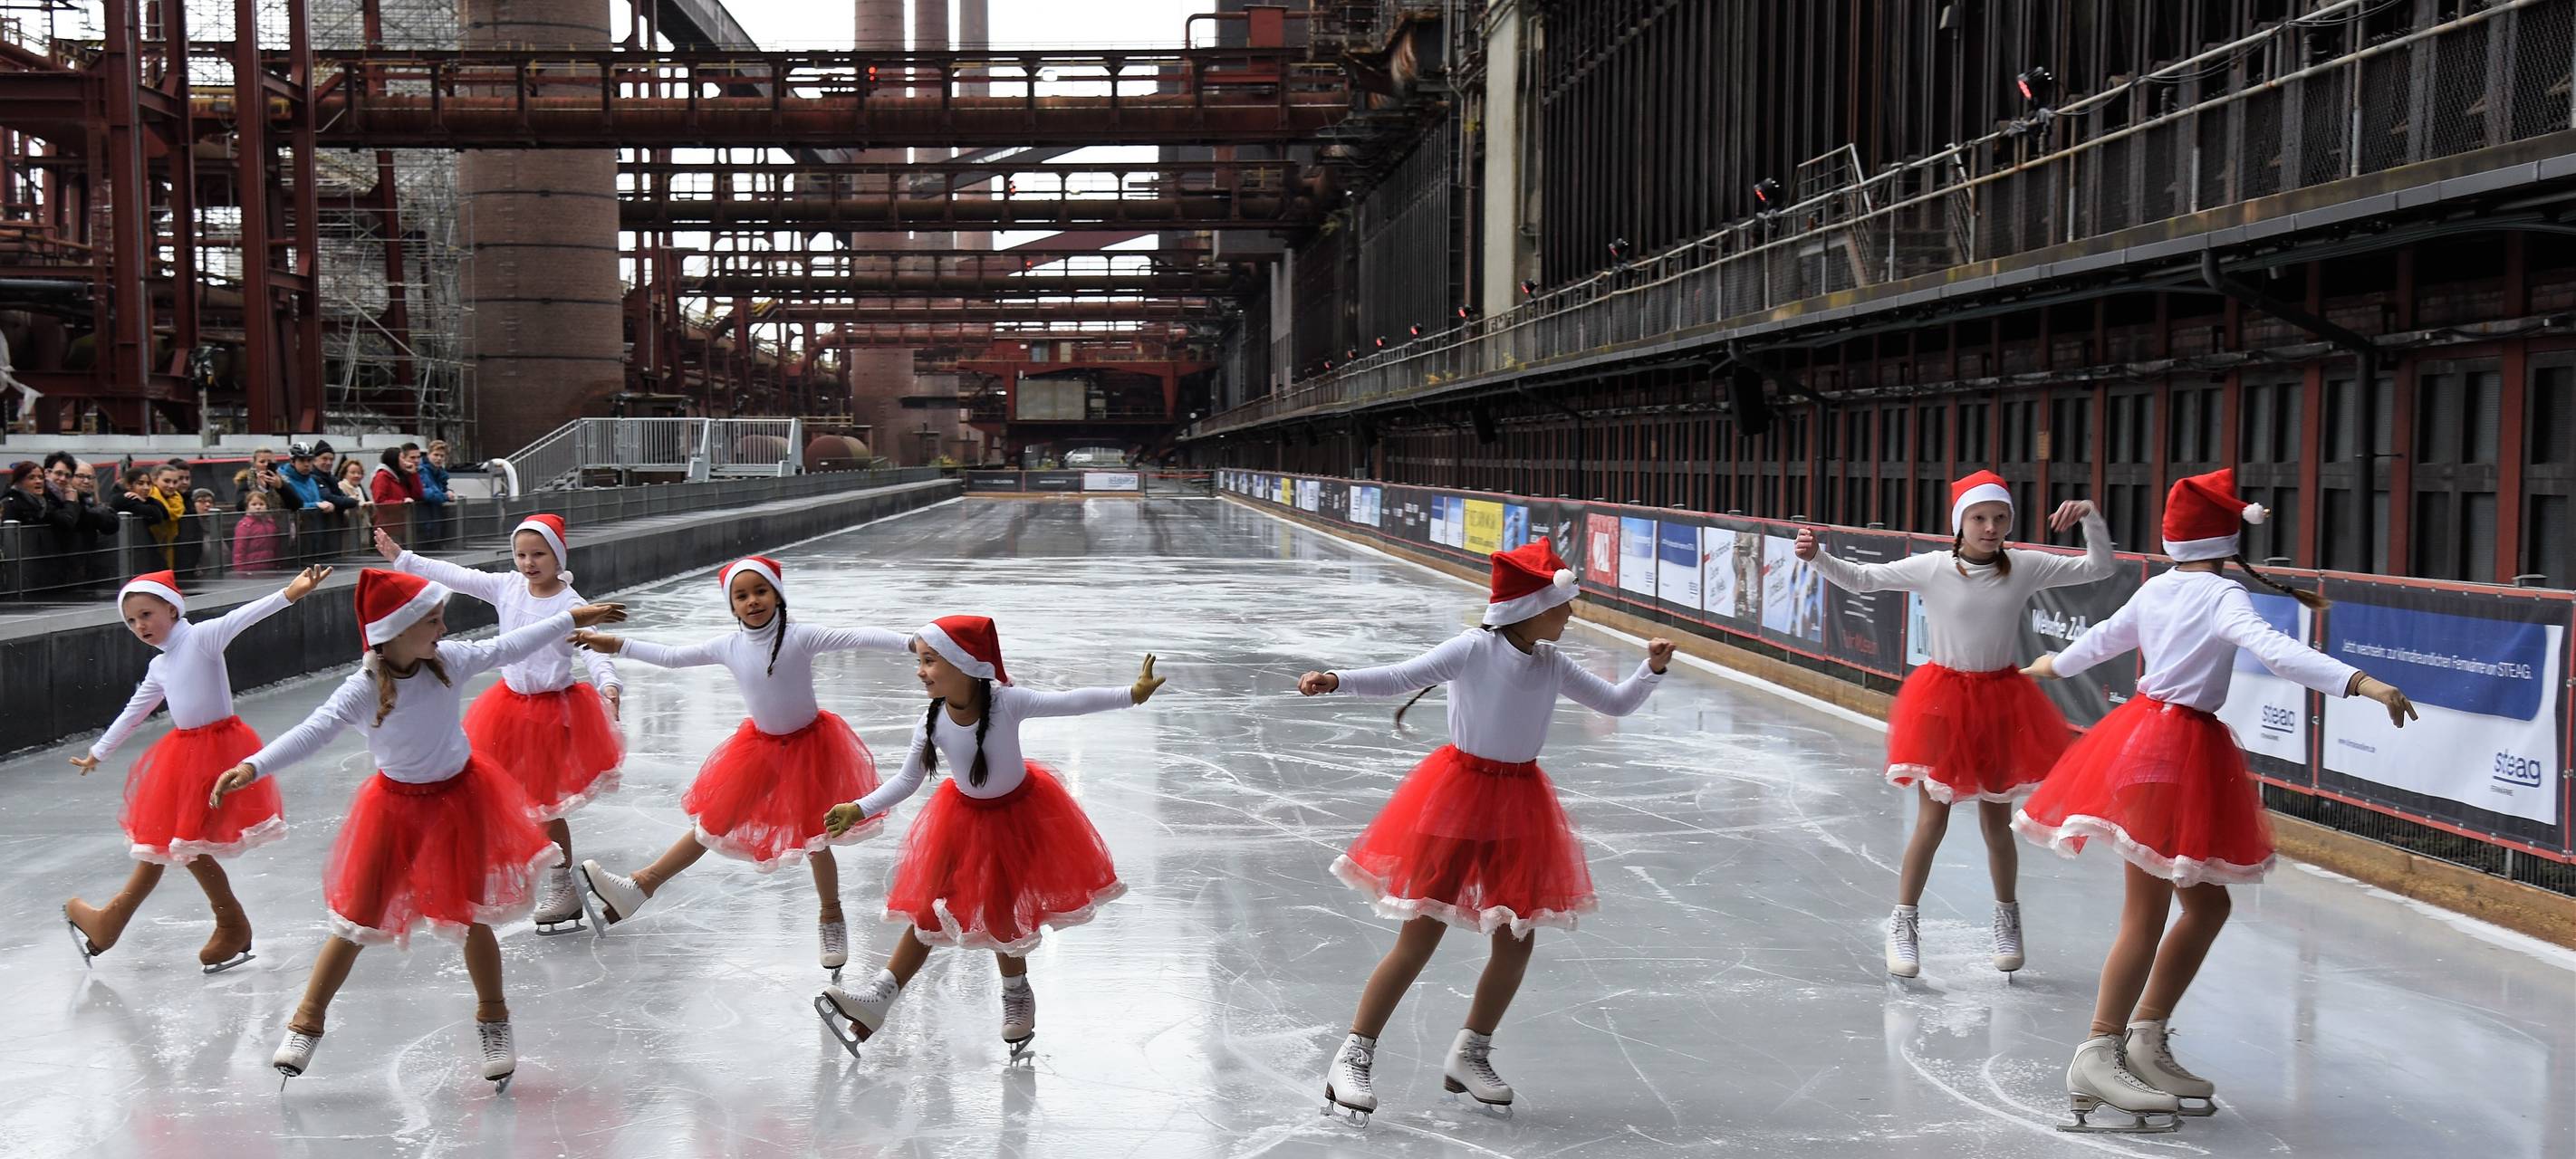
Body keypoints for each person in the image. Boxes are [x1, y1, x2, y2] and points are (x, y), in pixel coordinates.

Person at [2014, 468, 2418, 1132]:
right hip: (2167, 753)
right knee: (2146, 912)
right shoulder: (2220, 593)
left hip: (2155, 745)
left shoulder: (2160, 587)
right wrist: (2362, 682)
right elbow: (2275, 650)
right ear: (2227, 540)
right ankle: (2097, 1050)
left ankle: (2144, 1036)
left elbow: (2097, 642)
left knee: (2207, 904)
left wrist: (2049, 666)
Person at [206, 569, 626, 1088]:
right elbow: (314, 730)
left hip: (459, 804)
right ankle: (306, 1021)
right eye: (432, 621)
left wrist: (571, 617)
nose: (443, 628)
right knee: (356, 919)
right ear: (396, 631)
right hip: (394, 811)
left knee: (470, 915)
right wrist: (254, 766)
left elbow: (509, 644)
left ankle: (493, 1019)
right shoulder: (362, 689)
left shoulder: (449, 660)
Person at [1296, 541, 1673, 1120]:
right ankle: (1353, 1055)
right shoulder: (1473, 648)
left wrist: (1652, 669)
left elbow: (1616, 704)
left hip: (1519, 803)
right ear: (1531, 608)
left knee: (1517, 936)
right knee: (1421, 934)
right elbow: (1399, 676)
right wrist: (1335, 679)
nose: (1571, 614)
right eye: (1563, 605)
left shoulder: (1551, 663)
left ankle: (1470, 1052)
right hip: (1457, 797)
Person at [1793, 472, 2117, 978]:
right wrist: (1817, 557)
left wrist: (2091, 517)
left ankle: (2007, 919)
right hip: (1943, 703)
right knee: (1933, 819)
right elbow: (1863, 579)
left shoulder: (2024, 566)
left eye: (2000, 518)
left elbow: (2099, 567)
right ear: (1959, 523)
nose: (1990, 527)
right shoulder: (1933, 567)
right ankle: (1904, 923)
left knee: (1996, 824)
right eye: (1979, 518)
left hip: (2001, 702)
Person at [811, 617, 1162, 1060]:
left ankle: (1016, 993)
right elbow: (907, 780)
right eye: (920, 661)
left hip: (1018, 821)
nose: (920, 671)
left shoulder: (1006, 702)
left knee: (1000, 913)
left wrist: (1131, 694)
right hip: (960, 821)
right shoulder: (931, 721)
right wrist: (859, 807)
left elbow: (1070, 702)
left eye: (929, 661)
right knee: (929, 910)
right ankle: (880, 997)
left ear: (963, 664)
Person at [568, 557, 904, 972]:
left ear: (777, 595)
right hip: (760, 752)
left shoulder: (800, 636)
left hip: (811, 750)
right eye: (741, 596)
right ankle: (639, 887)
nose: (752, 601)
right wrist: (617, 644)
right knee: (713, 824)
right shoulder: (729, 646)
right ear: (732, 606)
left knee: (816, 838)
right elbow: (673, 656)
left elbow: (860, 636)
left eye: (760, 591)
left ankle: (831, 916)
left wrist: (917, 643)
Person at [63, 567, 331, 972]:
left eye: (146, 615)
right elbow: (135, 710)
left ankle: (225, 923)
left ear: (172, 609)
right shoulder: (160, 665)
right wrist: (99, 751)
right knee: (168, 842)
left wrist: (290, 593)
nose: (140, 626)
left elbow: (242, 617)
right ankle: (115, 922)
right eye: (131, 621)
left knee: (182, 842)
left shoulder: (202, 638)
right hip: (183, 756)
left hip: (217, 754)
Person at [375, 517, 622, 934]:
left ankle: (563, 884)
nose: (528, 563)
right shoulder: (507, 586)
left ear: (558, 556)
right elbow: (456, 576)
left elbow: (594, 648)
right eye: (521, 555)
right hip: (506, 710)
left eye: (538, 554)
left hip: (550, 715)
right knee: (483, 793)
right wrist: (404, 558)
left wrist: (609, 683)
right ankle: (480, 872)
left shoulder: (570, 603)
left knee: (544, 807)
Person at [232, 492, 286, 574]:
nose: (258, 507)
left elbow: (277, 547)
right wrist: (240, 571)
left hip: (270, 568)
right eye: (254, 504)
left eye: (261, 504)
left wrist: (278, 564)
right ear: (247, 507)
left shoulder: (271, 524)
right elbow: (239, 551)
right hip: (251, 570)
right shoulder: (244, 525)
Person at [417, 441, 453, 549]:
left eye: (442, 456)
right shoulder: (422, 471)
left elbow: (440, 490)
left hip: (435, 518)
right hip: (424, 518)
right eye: (436, 455)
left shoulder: (440, 473)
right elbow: (427, 493)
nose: (439, 458)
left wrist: (449, 491)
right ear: (428, 455)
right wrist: (446, 496)